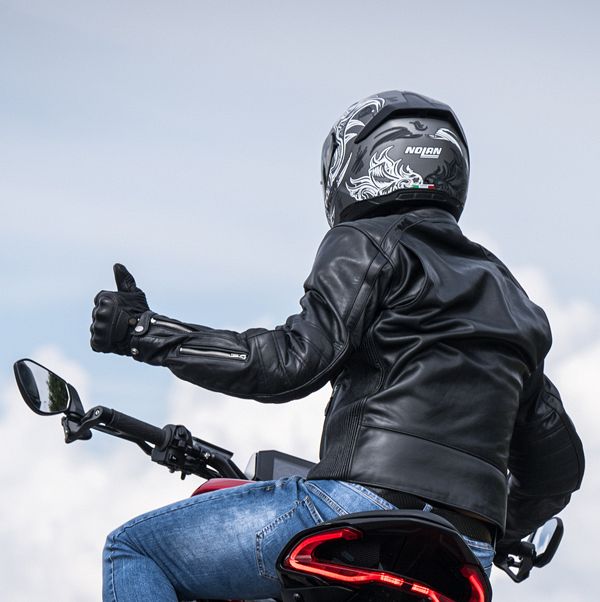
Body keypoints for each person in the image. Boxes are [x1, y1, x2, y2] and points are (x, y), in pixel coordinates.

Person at [91, 90, 584, 601]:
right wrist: (492, 526)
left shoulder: (368, 240)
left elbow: (289, 363)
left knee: (134, 548)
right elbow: (558, 470)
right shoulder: (513, 300)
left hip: (358, 507)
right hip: (464, 551)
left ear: (359, 160)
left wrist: (145, 333)